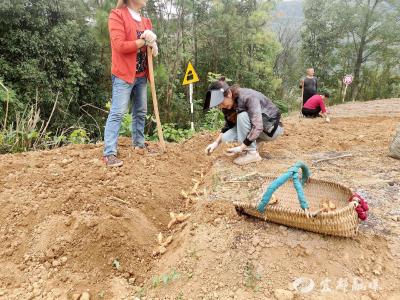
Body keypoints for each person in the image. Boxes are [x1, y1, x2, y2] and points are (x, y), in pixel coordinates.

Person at [103, 0, 158, 167]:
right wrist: (143, 41)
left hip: (141, 75)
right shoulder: (117, 15)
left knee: (140, 112)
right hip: (123, 75)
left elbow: (149, 48)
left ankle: (139, 145)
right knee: (118, 113)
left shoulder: (145, 21)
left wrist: (153, 46)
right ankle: (109, 153)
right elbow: (120, 46)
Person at [203, 78, 284, 165]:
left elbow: (258, 126)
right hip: (258, 129)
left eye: (221, 102)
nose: (220, 106)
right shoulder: (227, 106)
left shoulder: (248, 97)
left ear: (229, 94)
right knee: (225, 138)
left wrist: (241, 147)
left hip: (271, 129)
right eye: (218, 105)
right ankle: (253, 144)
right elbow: (228, 126)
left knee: (242, 116)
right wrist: (215, 143)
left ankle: (252, 154)